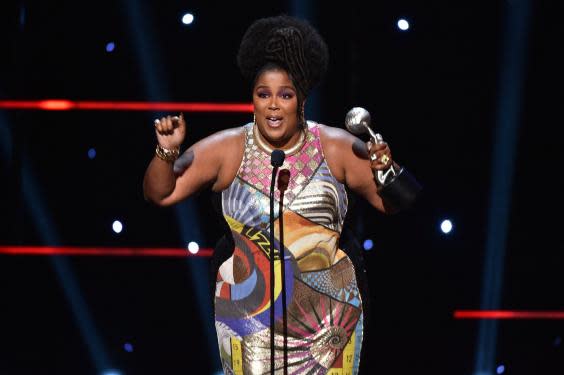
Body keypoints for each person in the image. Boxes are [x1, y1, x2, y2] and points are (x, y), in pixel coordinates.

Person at [144, 14, 418, 375]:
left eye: (285, 95)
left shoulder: (334, 147)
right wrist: (166, 152)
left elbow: (394, 202)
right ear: (253, 100)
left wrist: (386, 170)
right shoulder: (228, 148)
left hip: (329, 321)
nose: (273, 105)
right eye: (263, 95)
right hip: (250, 321)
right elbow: (160, 194)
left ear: (300, 101)